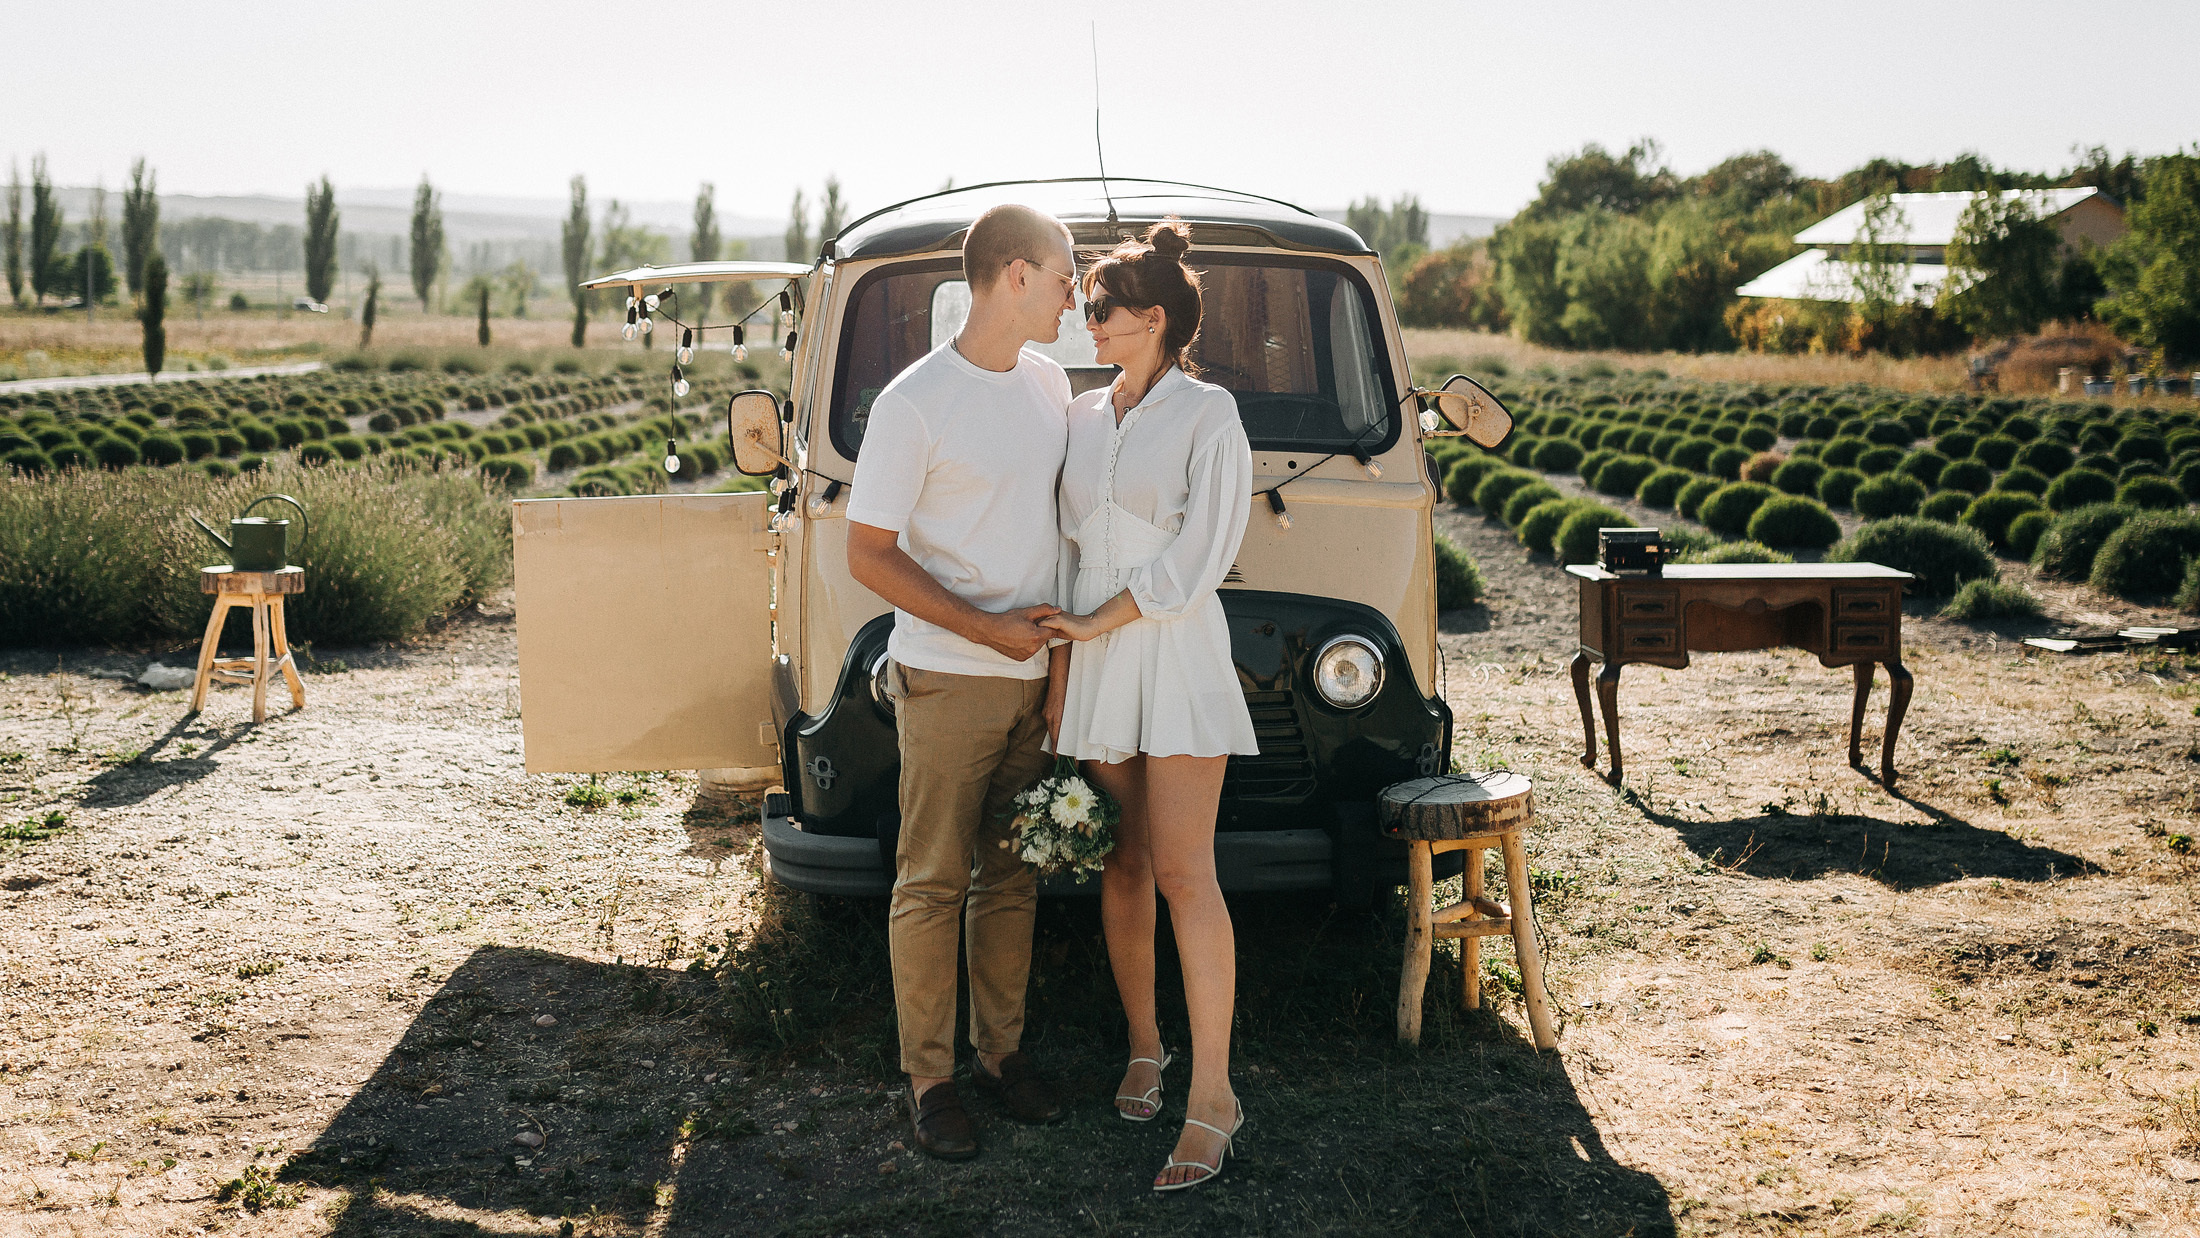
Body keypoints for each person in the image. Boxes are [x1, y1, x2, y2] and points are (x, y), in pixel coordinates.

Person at [845, 203, 1080, 1161]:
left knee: (1013, 876)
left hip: (1035, 681)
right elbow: (868, 556)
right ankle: (931, 1080)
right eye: (1065, 275)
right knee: (932, 880)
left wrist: (1058, 664)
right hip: (946, 679)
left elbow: (1058, 536)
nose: (1076, 294)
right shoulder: (913, 404)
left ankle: (1002, 1056)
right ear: (1015, 275)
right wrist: (985, 629)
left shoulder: (1052, 383)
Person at [1041, 219, 1258, 1192]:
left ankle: (1213, 1091)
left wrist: (1104, 623)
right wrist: (1061, 672)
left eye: (1102, 309)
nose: (1086, 323)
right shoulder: (1082, 417)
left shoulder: (1210, 414)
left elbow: (1201, 554)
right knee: (1121, 858)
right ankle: (1144, 1042)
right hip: (1091, 659)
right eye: (1084, 307)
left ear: (1155, 318)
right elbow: (1064, 551)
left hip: (1171, 651)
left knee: (1182, 867)